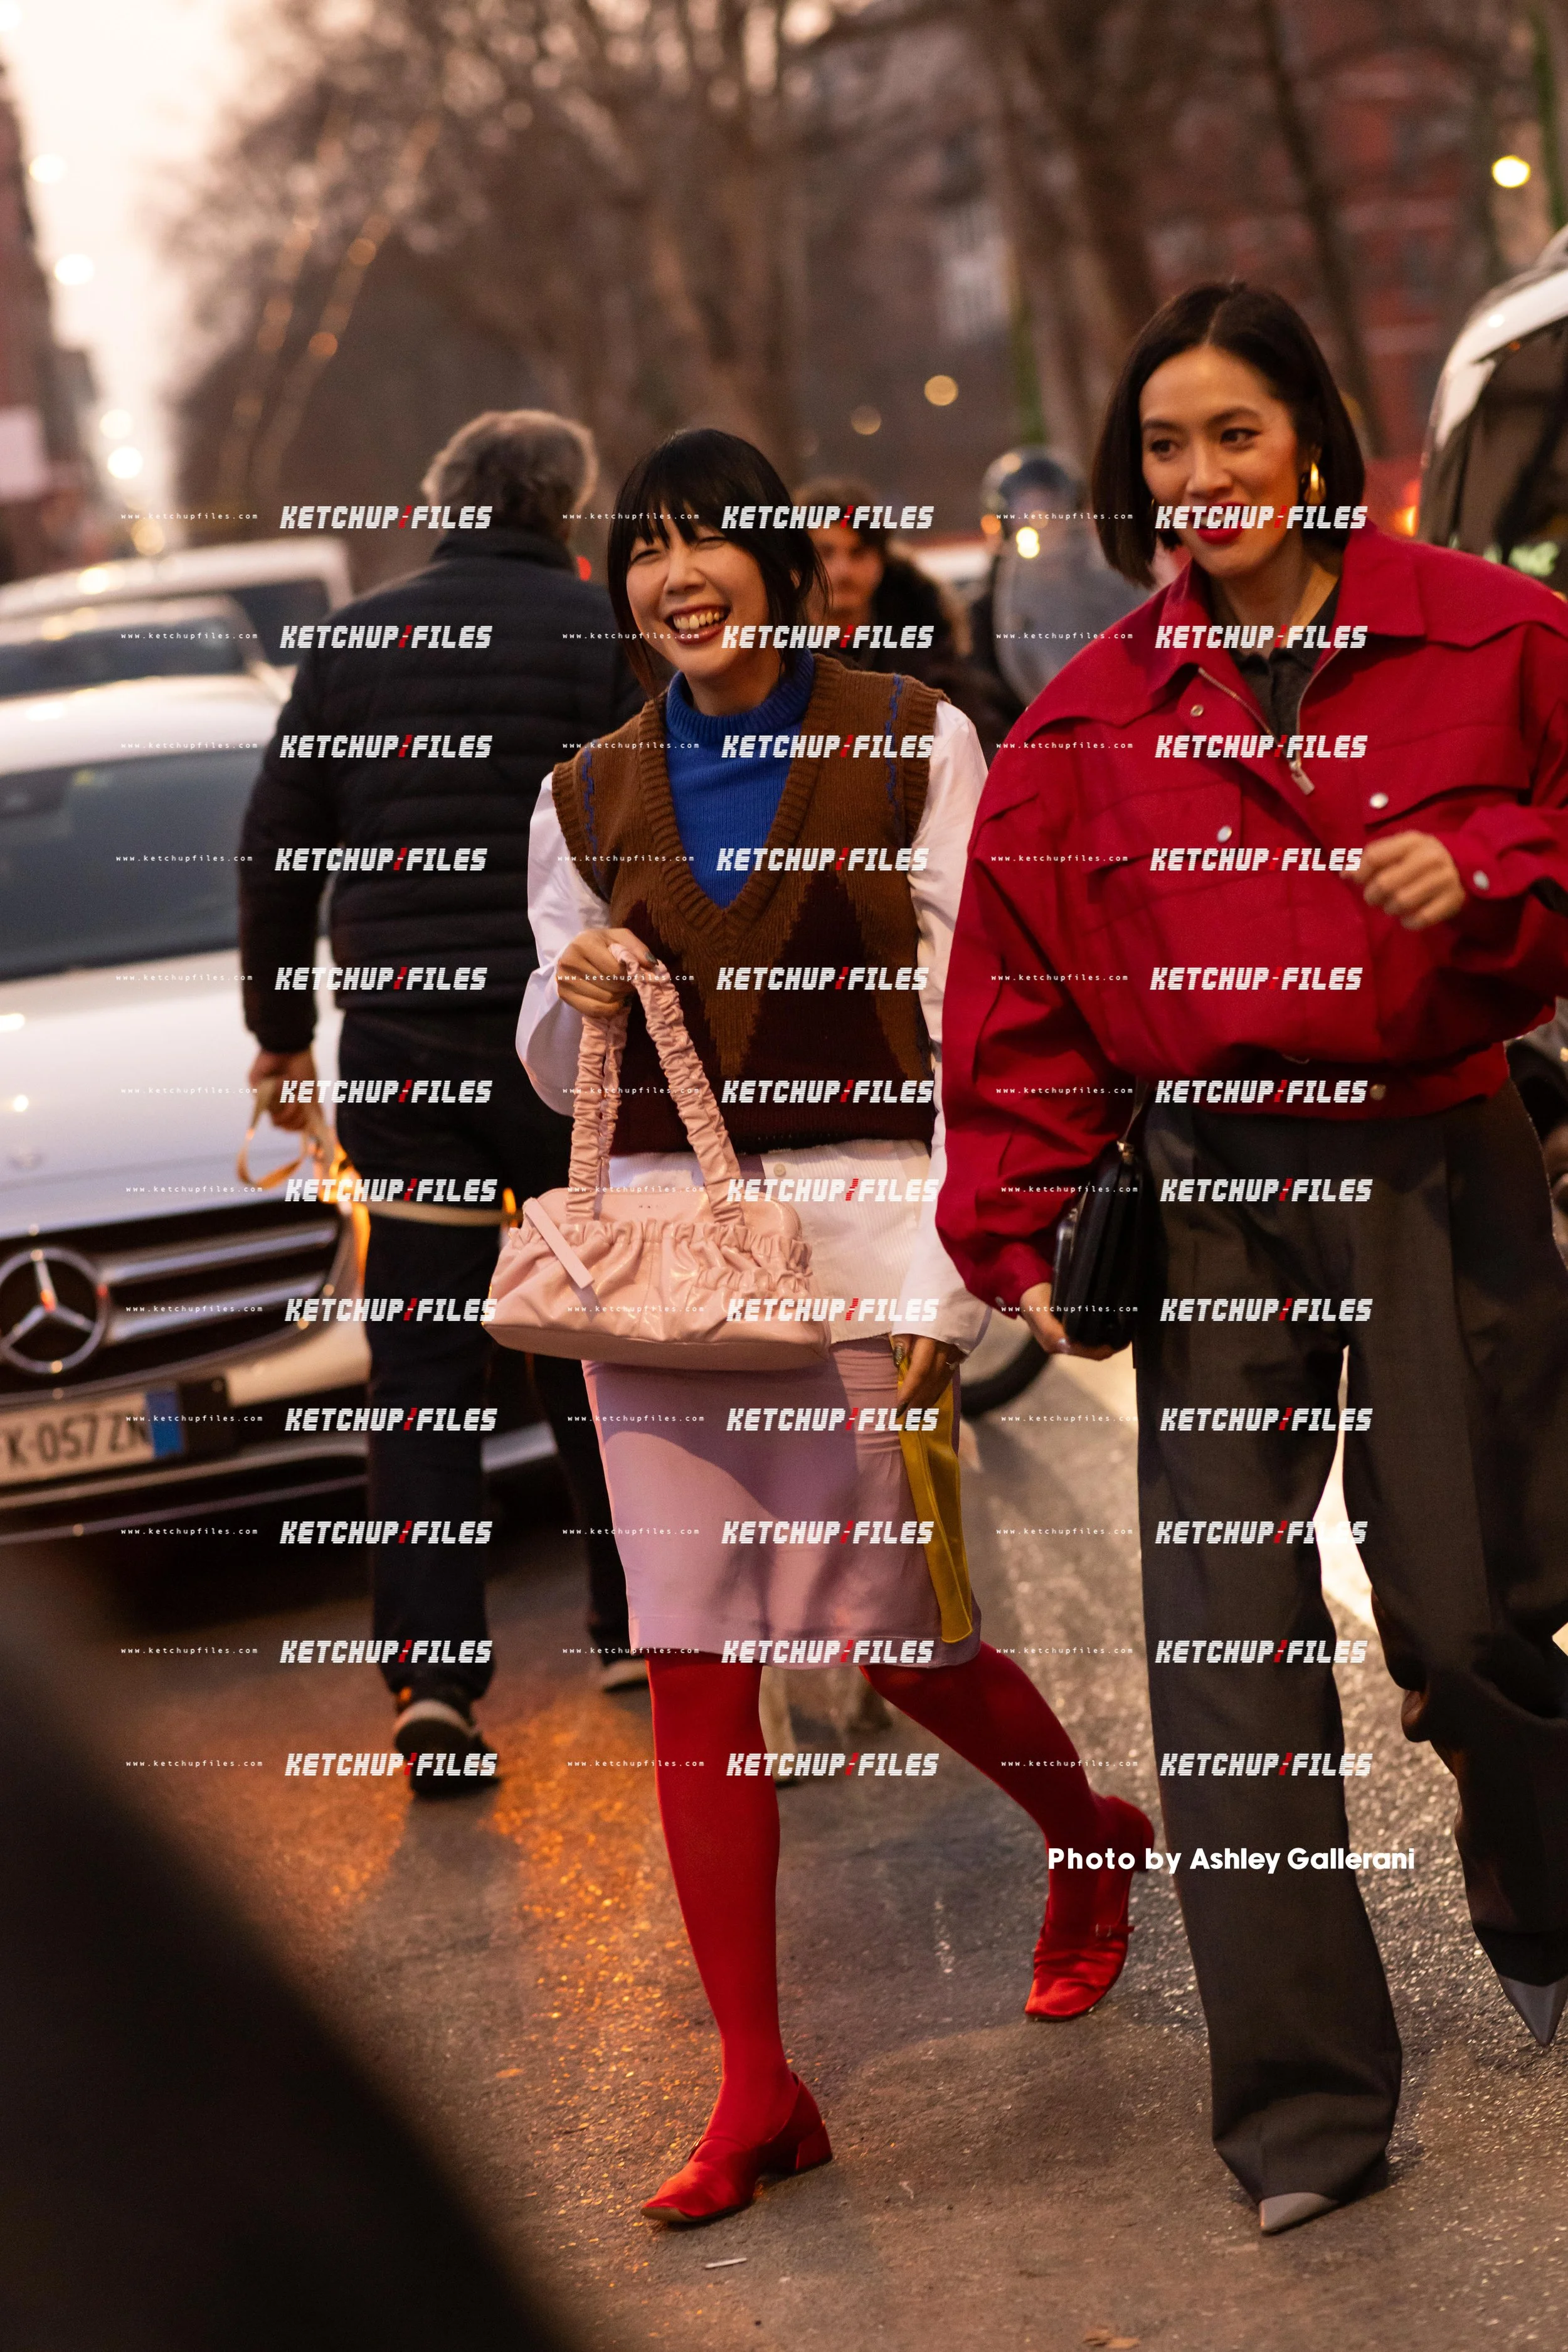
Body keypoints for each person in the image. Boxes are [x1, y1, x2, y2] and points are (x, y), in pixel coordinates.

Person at [936, 278, 1568, 2235]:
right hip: (1203, 1190)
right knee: (1226, 1673)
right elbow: (1014, 988)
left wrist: (1488, 874)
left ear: (1309, 435)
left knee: (1468, 1627)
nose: (1197, 476)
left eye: (1230, 432)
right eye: (1160, 446)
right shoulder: (1083, 717)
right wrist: (1015, 1216)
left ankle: (1545, 1884)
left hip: (1435, 1167)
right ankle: (1300, 2109)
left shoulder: (1496, 632)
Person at [517, 426, 1151, 2225]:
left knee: (889, 1631)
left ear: (784, 561)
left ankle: (1089, 1834)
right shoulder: (579, 793)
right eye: (646, 549)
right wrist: (566, 1004)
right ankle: (756, 2083)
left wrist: (965, 1262)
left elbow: (985, 1007)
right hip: (669, 1258)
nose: (677, 575)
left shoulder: (911, 737)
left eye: (711, 540)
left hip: (867, 1236)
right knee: (699, 1657)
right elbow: (560, 1066)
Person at [239, 409, 644, 1791]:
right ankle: (633, 1622)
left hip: (404, 1054)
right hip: (562, 1050)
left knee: (420, 1371)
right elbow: (641, 832)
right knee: (590, 1333)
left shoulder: (356, 641)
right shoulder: (597, 635)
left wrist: (280, 1033)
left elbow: (274, 842)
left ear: (442, 500)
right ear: (565, 506)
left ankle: (433, 1682)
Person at [795, 474, 1014, 757]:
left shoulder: (923, 637)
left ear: (881, 561)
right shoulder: (775, 648)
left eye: (858, 553)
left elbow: (973, 735)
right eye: (825, 554)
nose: (843, 571)